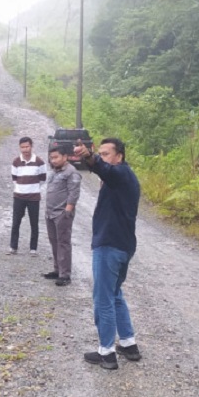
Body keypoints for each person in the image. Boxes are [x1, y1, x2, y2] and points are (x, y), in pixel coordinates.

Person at [74, 137, 141, 370]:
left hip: (109, 246)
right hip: (124, 246)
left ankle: (107, 352)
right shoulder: (126, 177)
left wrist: (89, 157)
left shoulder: (120, 174)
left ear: (119, 156)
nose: (103, 157)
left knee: (103, 299)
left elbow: (102, 169)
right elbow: (104, 171)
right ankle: (129, 343)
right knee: (115, 294)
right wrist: (95, 161)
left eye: (106, 154)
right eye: (100, 153)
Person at [43, 144, 81, 286]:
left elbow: (74, 193)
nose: (53, 160)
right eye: (51, 158)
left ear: (65, 157)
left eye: (56, 157)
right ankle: (57, 270)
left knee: (63, 243)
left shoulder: (71, 172)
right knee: (54, 242)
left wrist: (67, 211)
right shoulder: (55, 171)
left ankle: (65, 275)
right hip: (50, 213)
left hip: (62, 214)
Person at [9, 137, 47, 255]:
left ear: (31, 146)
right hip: (19, 196)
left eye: (27, 147)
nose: (25, 149)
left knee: (34, 223)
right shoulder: (16, 162)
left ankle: (33, 248)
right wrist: (22, 188)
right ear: (20, 148)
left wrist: (32, 188)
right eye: (22, 147)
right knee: (16, 222)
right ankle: (13, 247)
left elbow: (43, 178)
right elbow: (14, 178)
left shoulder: (39, 162)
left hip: (34, 198)